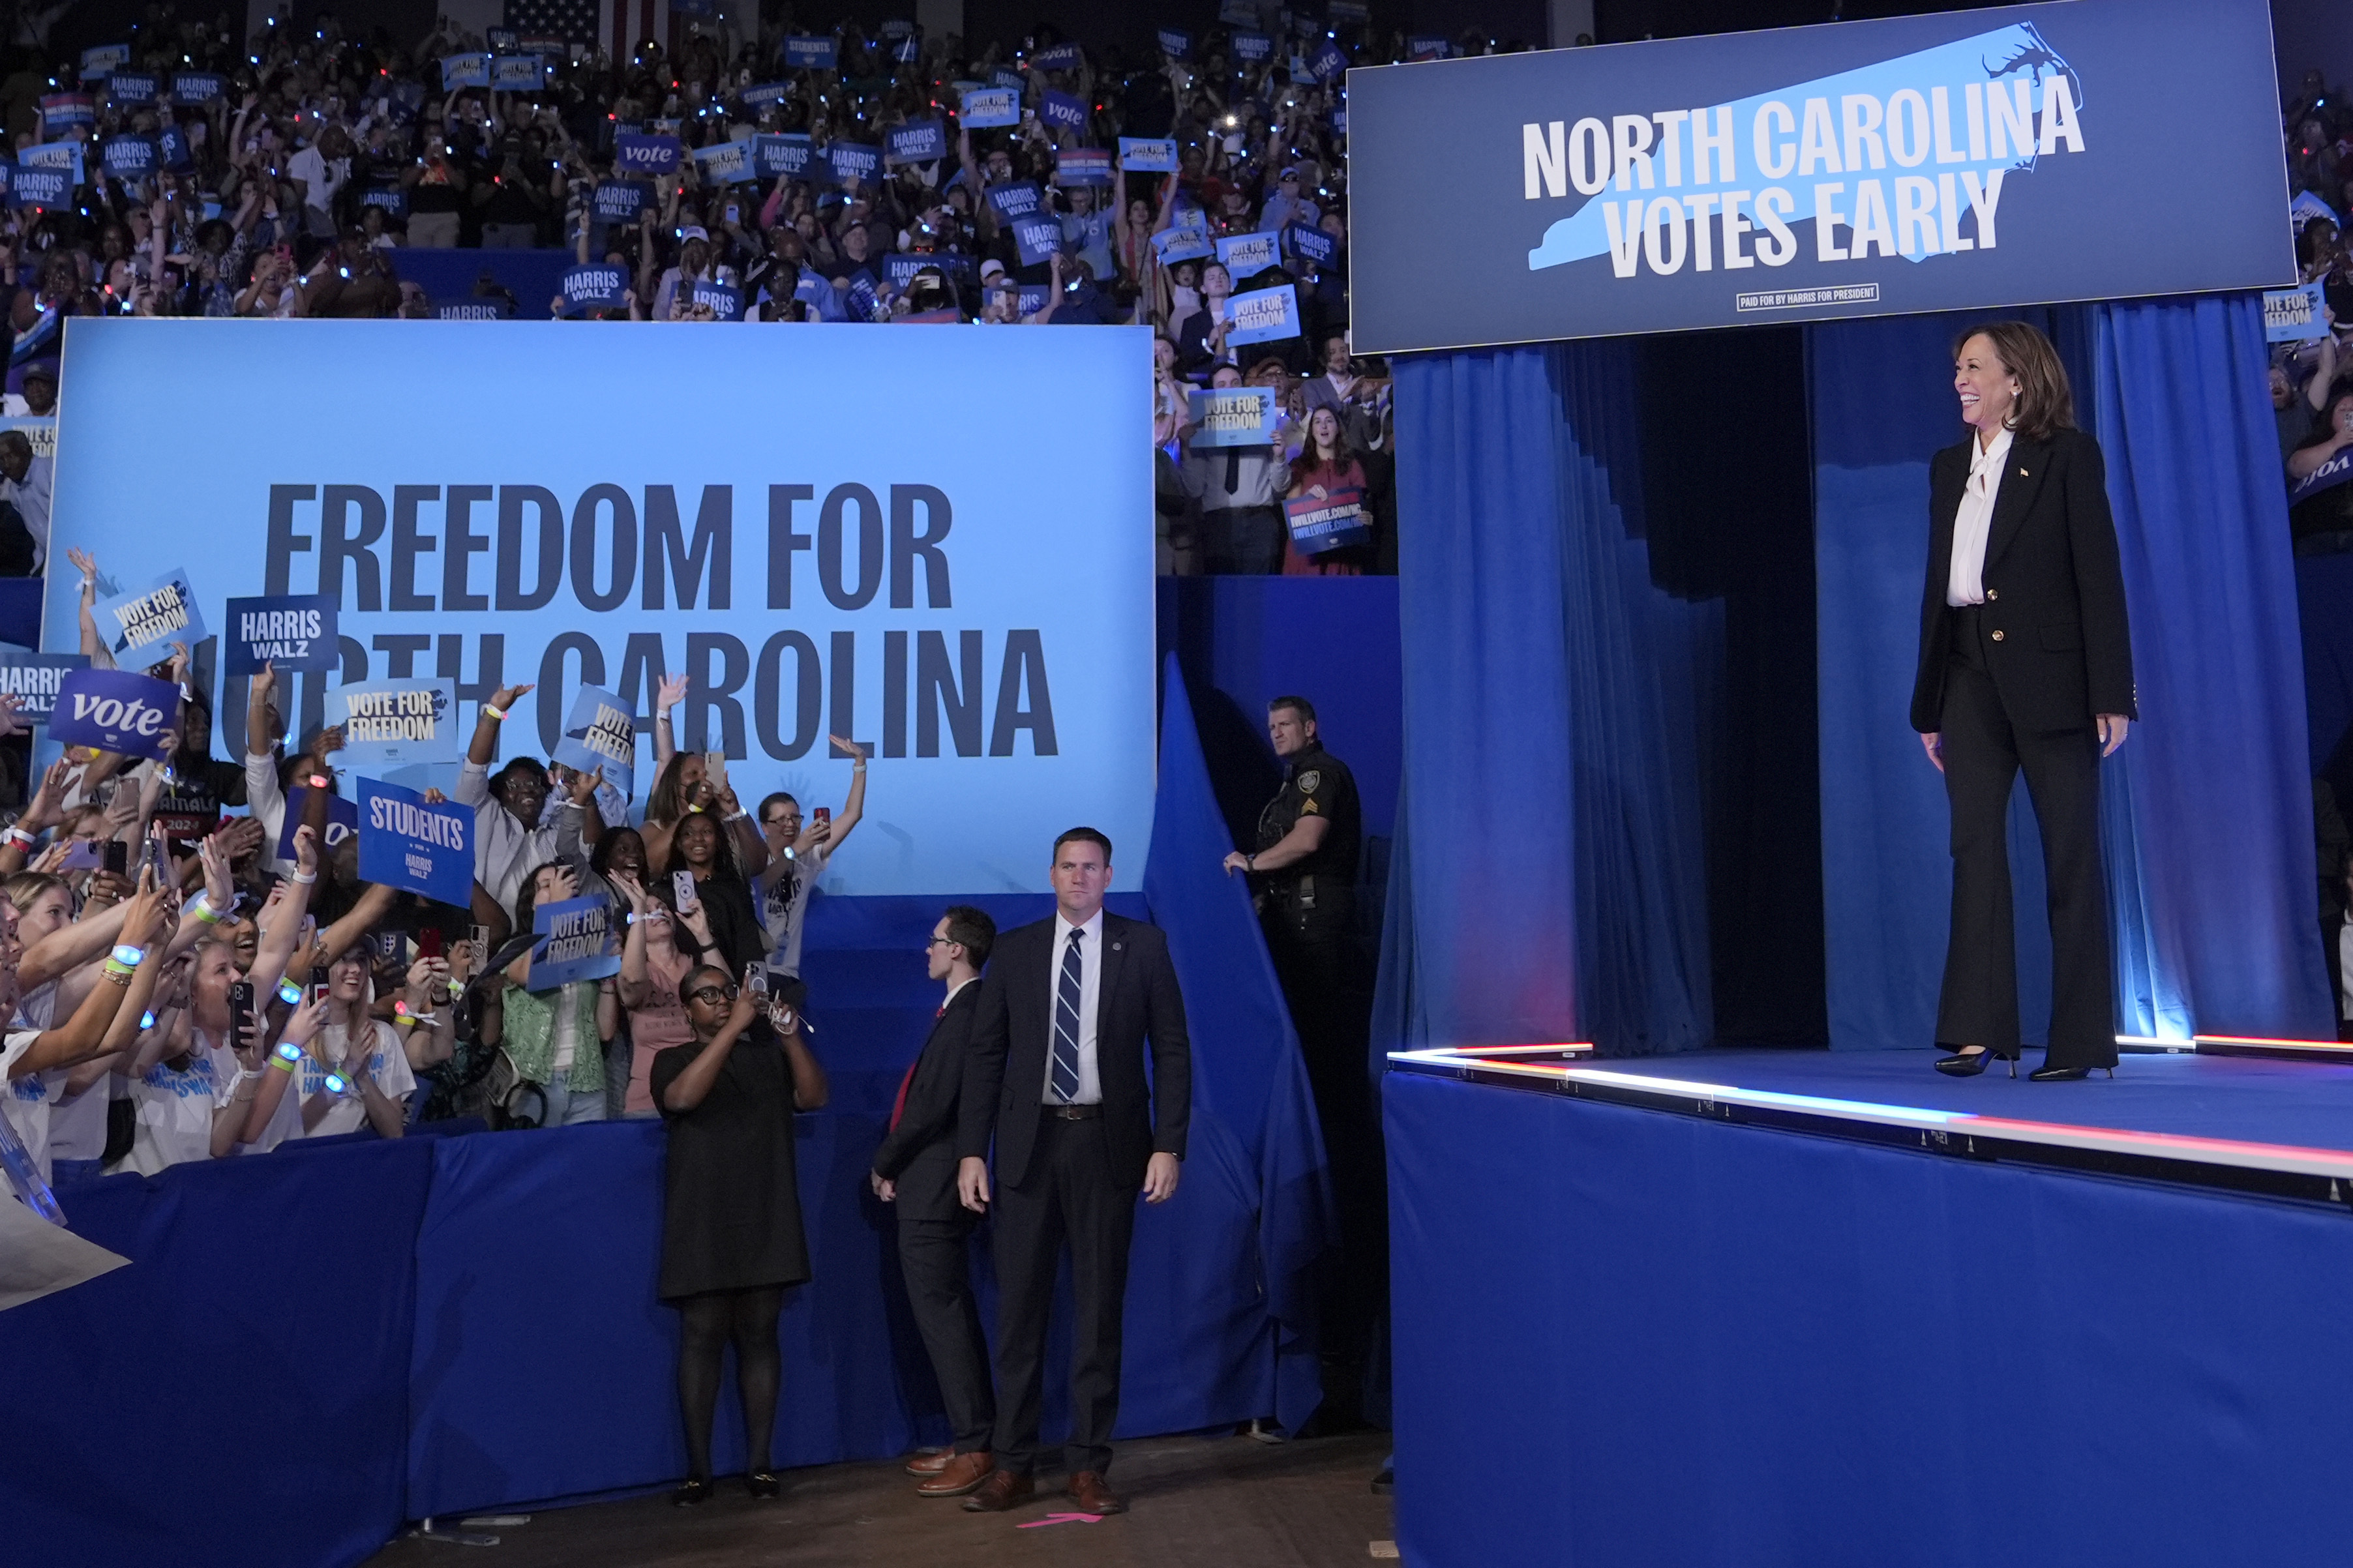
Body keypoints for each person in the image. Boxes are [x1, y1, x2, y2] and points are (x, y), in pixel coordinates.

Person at [1911, 321, 2134, 1082]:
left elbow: (2097, 576)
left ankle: (2077, 1043)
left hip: (2052, 680)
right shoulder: (1947, 467)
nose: (1957, 381)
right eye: (1955, 368)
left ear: (2016, 379)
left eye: (1973, 367)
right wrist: (1927, 704)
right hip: (1968, 675)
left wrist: (2111, 692)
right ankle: (1977, 1030)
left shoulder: (2065, 456)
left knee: (2067, 856)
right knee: (1972, 850)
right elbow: (1936, 594)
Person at [955, 829, 1191, 1517]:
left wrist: (1168, 1143)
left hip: (1108, 1146)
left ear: (1109, 874)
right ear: (1051, 873)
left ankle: (1088, 1465)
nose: (1079, 876)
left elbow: (1171, 1049)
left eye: (1091, 867)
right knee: (1019, 1315)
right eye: (1068, 866)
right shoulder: (1018, 948)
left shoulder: (1142, 946)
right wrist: (974, 1149)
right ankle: (1014, 1464)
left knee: (1096, 1313)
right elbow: (985, 1054)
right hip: (1028, 1148)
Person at [1220, 696, 1375, 1405]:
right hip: (1289, 928)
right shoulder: (1284, 785)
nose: (1279, 735)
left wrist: (1251, 862)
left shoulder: (1320, 775)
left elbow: (1308, 842)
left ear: (1311, 727)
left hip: (1318, 927)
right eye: (1273, 727)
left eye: (1287, 726)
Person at [651, 962, 828, 1505]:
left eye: (727, 992)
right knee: (702, 1334)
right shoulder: (672, 1059)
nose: (723, 1000)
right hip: (703, 1217)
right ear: (687, 1009)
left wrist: (789, 1037)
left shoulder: (765, 1057)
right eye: (707, 995)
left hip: (764, 1209)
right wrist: (733, 1030)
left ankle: (761, 1464)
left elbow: (814, 1096)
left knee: (759, 1333)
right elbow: (682, 1099)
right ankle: (699, 1471)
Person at [872, 905, 997, 1498]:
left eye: (935, 941)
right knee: (950, 1313)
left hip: (934, 1187)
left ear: (958, 951)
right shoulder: (961, 1009)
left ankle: (975, 1445)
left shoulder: (969, 1009)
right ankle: (970, 1433)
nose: (928, 950)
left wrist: (885, 1160)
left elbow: (930, 1106)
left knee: (943, 1317)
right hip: (934, 1184)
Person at [753, 736, 866, 982]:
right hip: (751, 972)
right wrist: (796, 848)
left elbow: (852, 814)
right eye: (781, 819)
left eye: (795, 817)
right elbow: (761, 885)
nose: (790, 824)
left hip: (786, 973)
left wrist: (860, 762)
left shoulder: (810, 856)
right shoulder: (753, 857)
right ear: (765, 827)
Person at [1179, 362, 1293, 574]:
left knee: (1259, 595)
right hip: (1218, 523)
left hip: (1259, 522)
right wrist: (1186, 447)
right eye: (1221, 384)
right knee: (1223, 596)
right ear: (1212, 392)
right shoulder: (1203, 431)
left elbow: (1280, 487)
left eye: (1234, 383)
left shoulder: (1264, 426)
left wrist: (1279, 458)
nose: (1229, 388)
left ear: (1242, 387)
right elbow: (1194, 489)